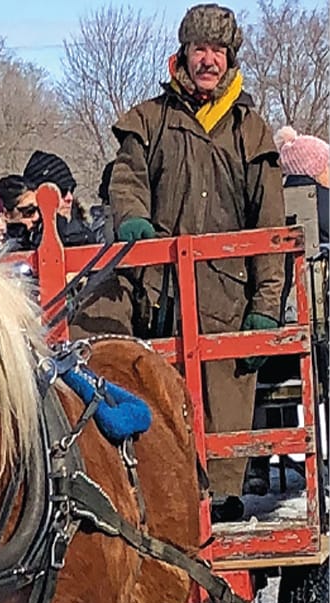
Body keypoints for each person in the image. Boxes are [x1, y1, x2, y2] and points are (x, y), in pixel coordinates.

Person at [76, 3, 284, 523]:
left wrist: (265, 303)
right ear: (183, 55)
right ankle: (139, 489)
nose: (208, 60)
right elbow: (127, 180)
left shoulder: (250, 131)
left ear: (229, 58)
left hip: (227, 292)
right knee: (143, 382)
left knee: (222, 400)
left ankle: (226, 499)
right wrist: (132, 219)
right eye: (199, 49)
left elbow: (270, 225)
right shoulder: (149, 120)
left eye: (217, 51)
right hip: (157, 288)